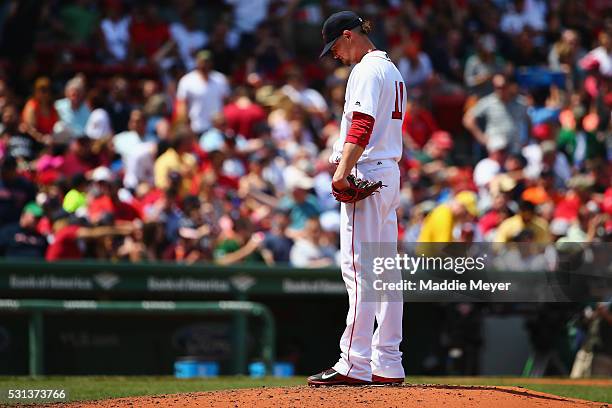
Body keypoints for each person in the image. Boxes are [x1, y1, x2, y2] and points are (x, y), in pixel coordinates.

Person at [307, 11, 406, 386]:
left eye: (334, 46)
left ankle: (354, 362)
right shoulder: (392, 70)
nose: (333, 55)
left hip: (366, 171)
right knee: (384, 271)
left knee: (359, 269)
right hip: (388, 171)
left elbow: (362, 126)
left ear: (348, 36)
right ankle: (388, 361)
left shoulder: (365, 70)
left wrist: (341, 171)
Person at [175, 50, 230, 135]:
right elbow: (182, 105)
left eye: (207, 62)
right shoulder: (186, 80)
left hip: (217, 128)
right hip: (196, 127)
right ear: (197, 62)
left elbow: (226, 102)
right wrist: (185, 124)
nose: (205, 64)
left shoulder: (220, 79)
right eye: (202, 62)